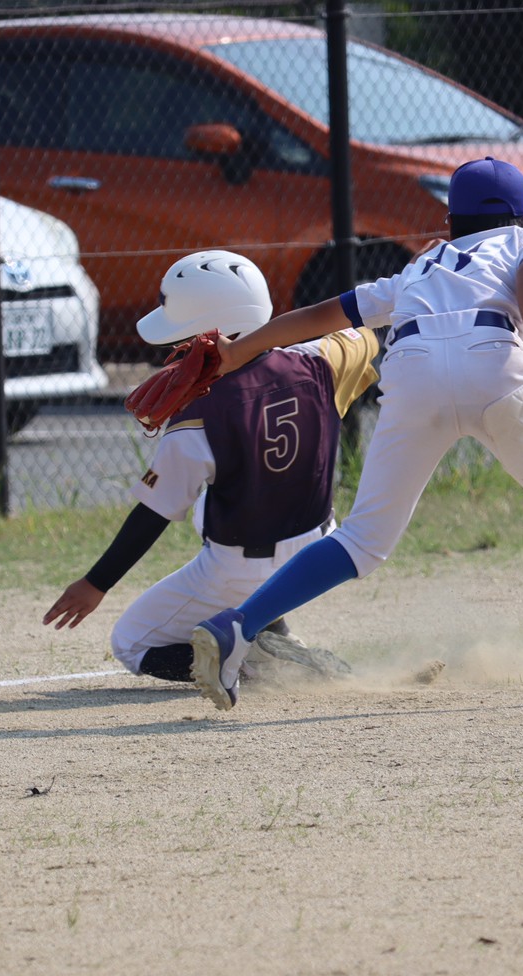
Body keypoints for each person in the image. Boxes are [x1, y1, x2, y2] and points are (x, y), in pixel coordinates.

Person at [185, 156, 523, 710]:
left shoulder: (421, 267)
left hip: (412, 370)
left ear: (449, 224)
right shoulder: (519, 242)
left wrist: (239, 349)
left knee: (364, 539)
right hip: (494, 366)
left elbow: (327, 313)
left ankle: (239, 626)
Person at [42, 250, 378, 685]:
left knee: (131, 642)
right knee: (206, 504)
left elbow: (154, 513)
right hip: (318, 546)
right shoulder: (323, 360)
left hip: (243, 564)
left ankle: (258, 664)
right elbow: (366, 333)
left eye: (187, 340)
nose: (180, 353)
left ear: (214, 333)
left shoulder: (197, 416)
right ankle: (269, 627)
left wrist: (96, 582)